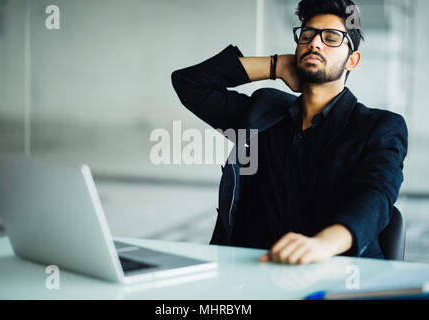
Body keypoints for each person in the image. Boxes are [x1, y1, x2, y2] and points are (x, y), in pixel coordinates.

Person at [171, 0, 408, 264]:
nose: (315, 43)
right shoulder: (263, 112)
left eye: (331, 38)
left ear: (352, 60)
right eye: (307, 35)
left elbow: (377, 196)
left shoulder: (379, 127)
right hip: (249, 277)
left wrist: (321, 245)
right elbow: (189, 84)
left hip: (336, 274)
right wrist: (275, 66)